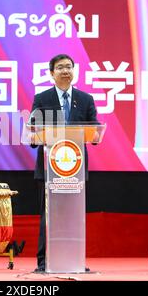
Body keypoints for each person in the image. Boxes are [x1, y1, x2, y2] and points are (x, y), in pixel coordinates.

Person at [30, 54, 98, 273]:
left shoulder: (85, 99)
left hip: (74, 169)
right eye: (60, 67)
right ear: (52, 73)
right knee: (47, 217)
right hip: (49, 168)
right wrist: (35, 135)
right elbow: (33, 130)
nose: (65, 71)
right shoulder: (42, 98)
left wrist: (95, 134)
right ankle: (44, 262)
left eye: (69, 67)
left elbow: (94, 128)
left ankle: (74, 261)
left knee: (73, 217)